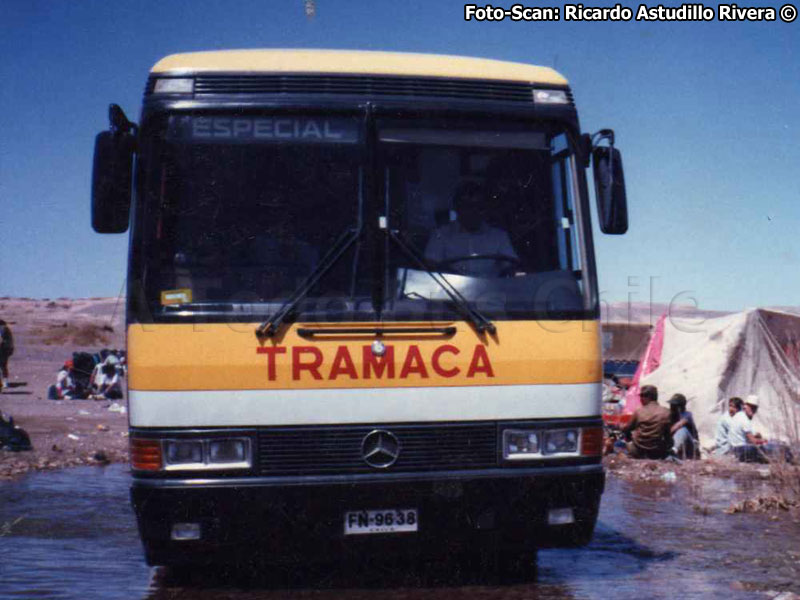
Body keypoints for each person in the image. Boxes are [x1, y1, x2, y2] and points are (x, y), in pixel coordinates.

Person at [424, 182, 518, 277]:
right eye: (468, 206)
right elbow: (431, 266)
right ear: (457, 208)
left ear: (485, 209)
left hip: (492, 290)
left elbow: (511, 267)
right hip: (450, 288)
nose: (474, 211)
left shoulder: (499, 236)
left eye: (479, 207)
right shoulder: (440, 235)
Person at [729, 395, 793, 463]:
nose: (753, 411)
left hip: (735, 449)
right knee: (770, 447)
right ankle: (788, 458)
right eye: (751, 407)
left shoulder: (738, 416)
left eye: (755, 408)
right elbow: (753, 441)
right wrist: (764, 441)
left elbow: (745, 436)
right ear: (745, 406)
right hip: (740, 450)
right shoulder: (744, 420)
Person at [621, 385, 672, 459]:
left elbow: (627, 429)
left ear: (648, 397)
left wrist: (621, 427)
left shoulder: (639, 412)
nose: (640, 399)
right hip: (656, 451)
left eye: (641, 396)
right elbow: (667, 435)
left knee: (619, 442)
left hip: (638, 450)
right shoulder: (666, 412)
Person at [668, 394, 700, 459]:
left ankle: (674, 450)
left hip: (691, 446)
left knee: (683, 430)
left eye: (673, 405)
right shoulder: (671, 416)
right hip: (679, 446)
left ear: (679, 407)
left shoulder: (687, 415)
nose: (671, 407)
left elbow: (678, 425)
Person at [0, 319, 14, 391]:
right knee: (3, 366)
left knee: (2, 366)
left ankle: (4, 383)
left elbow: (1, 340)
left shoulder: (2, 329)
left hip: (3, 349)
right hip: (7, 349)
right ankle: (5, 382)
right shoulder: (6, 328)